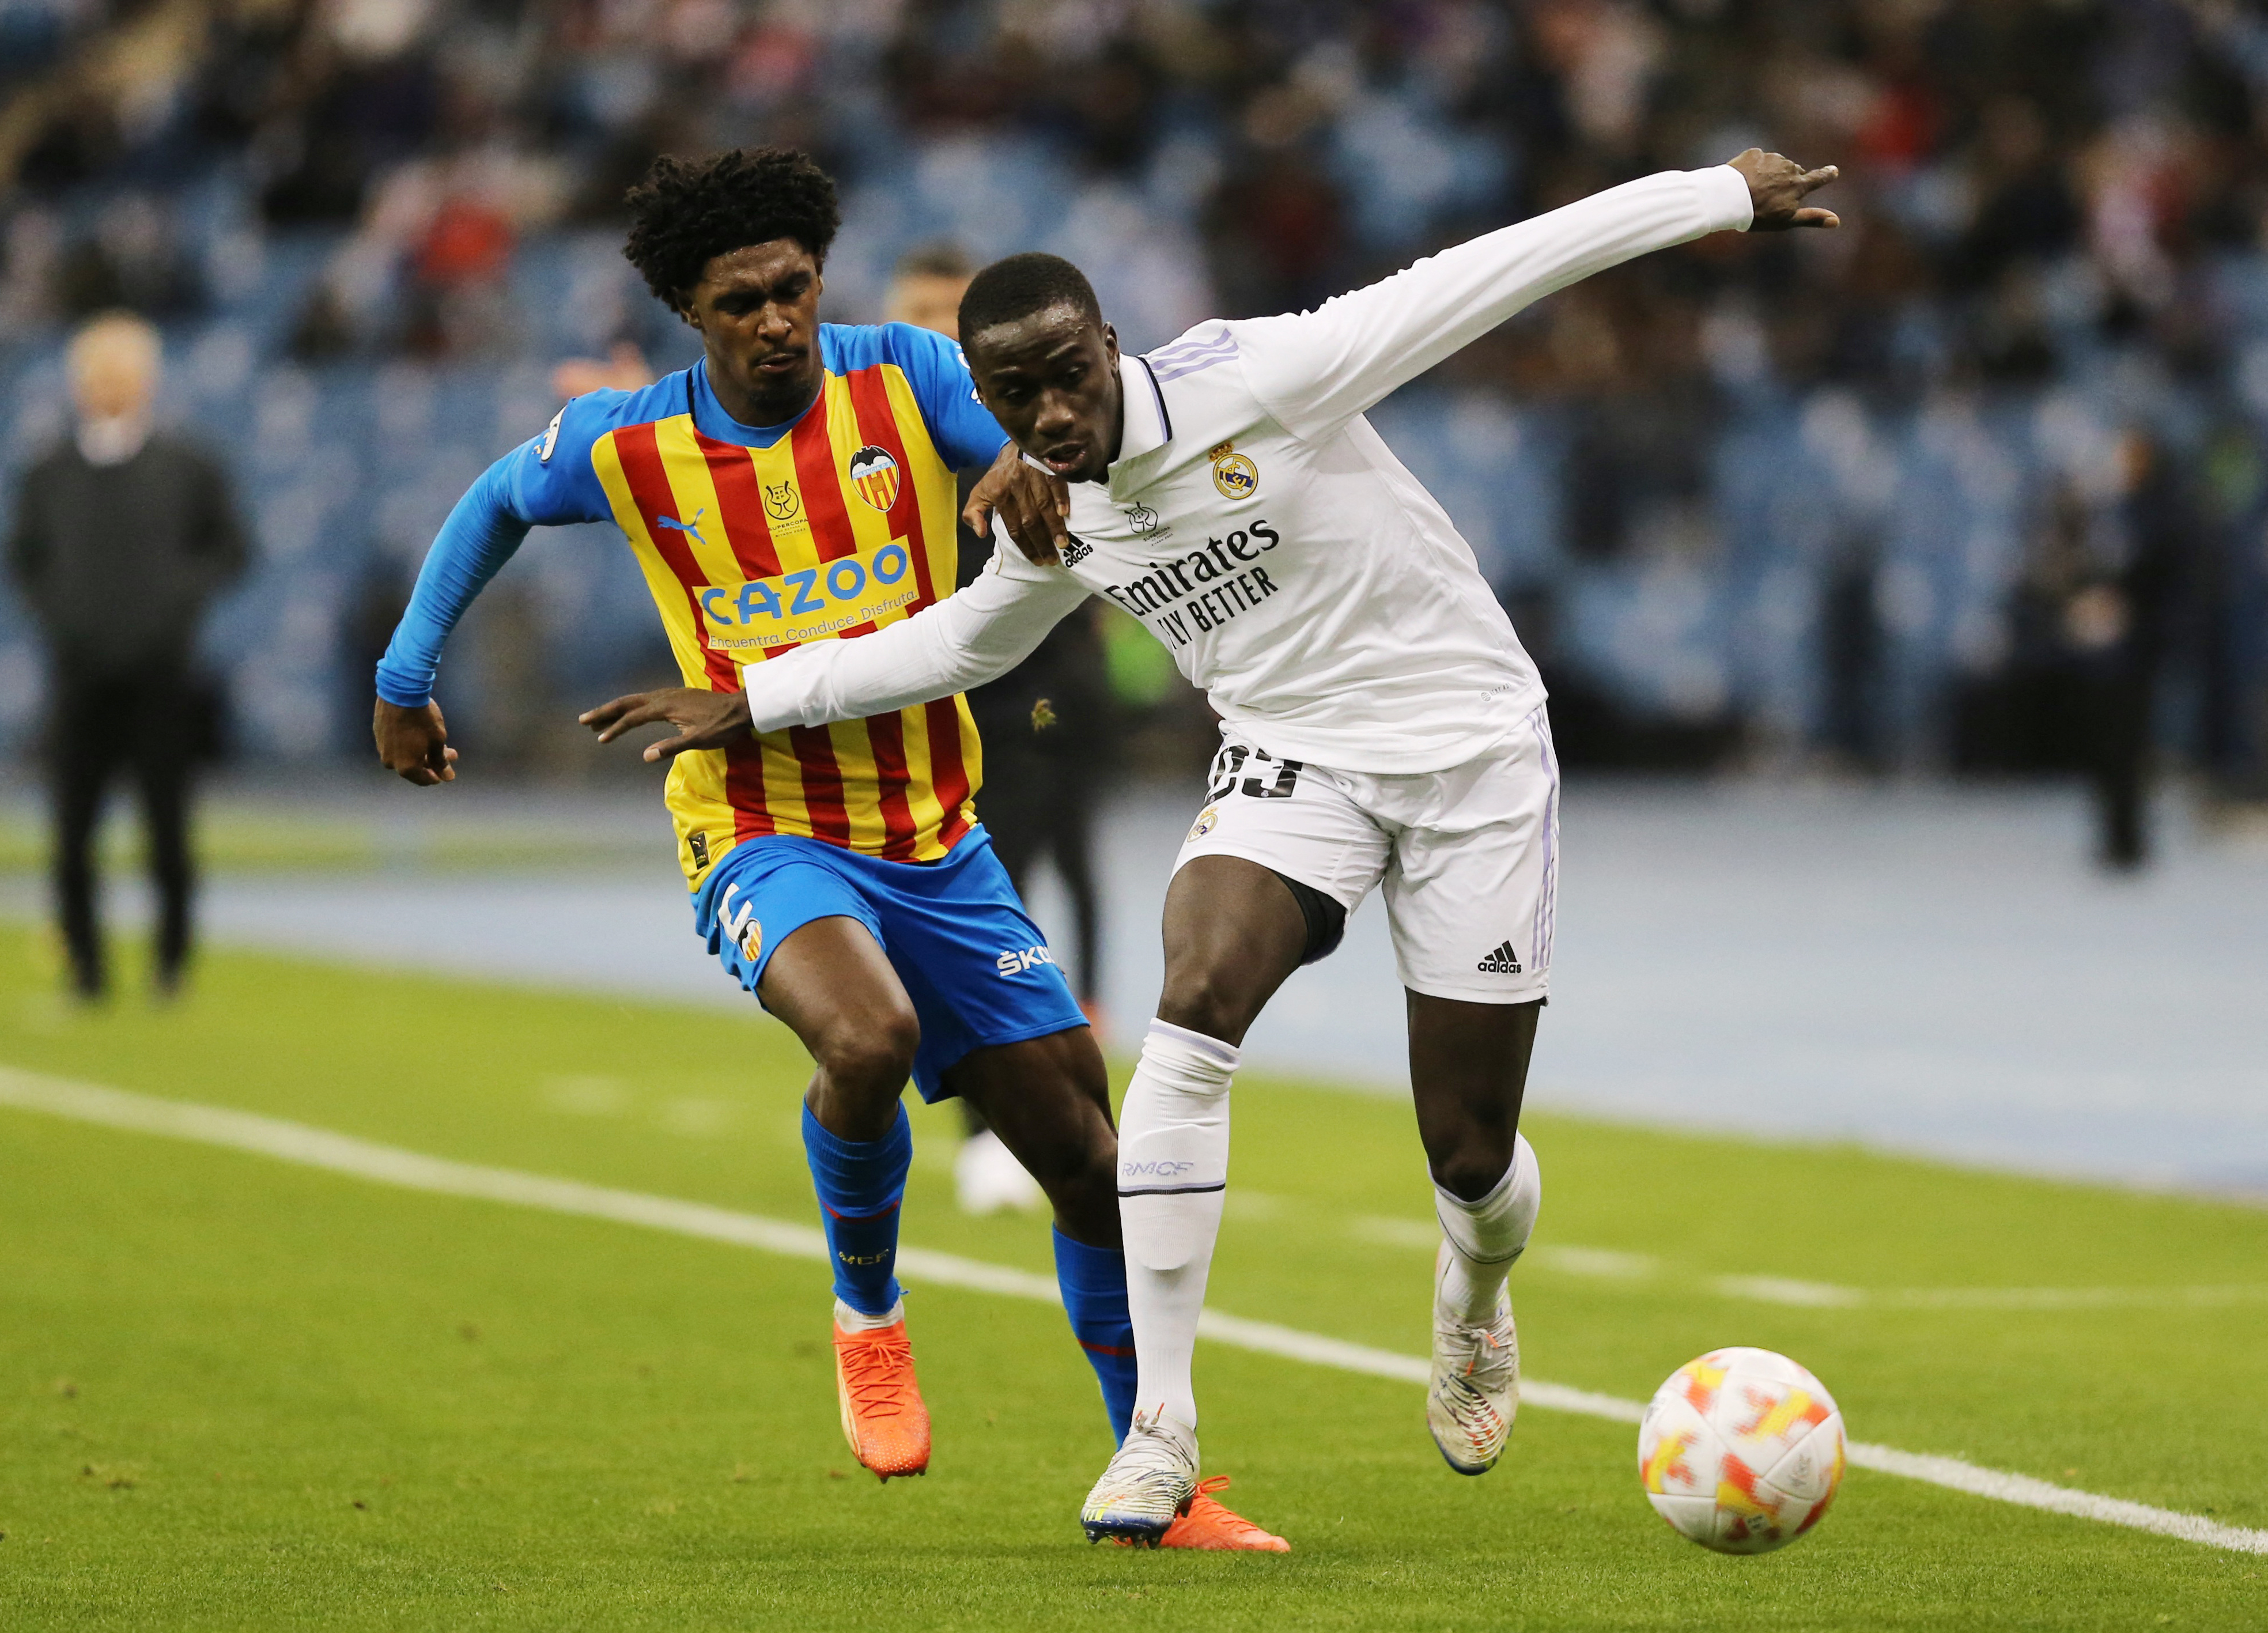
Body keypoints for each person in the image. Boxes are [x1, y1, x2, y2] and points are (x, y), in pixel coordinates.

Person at [591, 149, 1841, 1541]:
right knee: (1189, 1010)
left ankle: (1475, 1290)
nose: (1055, 413)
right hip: (1289, 758)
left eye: (1073, 374)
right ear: (985, 407)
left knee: (1470, 1149)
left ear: (1110, 343)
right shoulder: (1050, 510)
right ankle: (1160, 1431)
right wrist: (754, 698)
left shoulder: (1268, 375)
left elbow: (1494, 272)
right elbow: (952, 640)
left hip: (1470, 749)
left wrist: (1719, 197)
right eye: (1021, 398)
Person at [373, 148, 1282, 1550]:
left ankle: (1153, 1477)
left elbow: (1015, 440)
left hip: (934, 831)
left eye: (795, 286)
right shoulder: (630, 445)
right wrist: (403, 672)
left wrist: (1019, 478)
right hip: (755, 824)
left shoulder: (905, 373)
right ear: (692, 311)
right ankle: (870, 1314)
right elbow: (495, 498)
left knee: (1088, 1157)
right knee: (863, 1038)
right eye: (743, 301)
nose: (778, 319)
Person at [880, 241, 1118, 1218]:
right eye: (919, 312)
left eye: (950, 310)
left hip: (1057, 685)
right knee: (985, 895)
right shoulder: (881, 433)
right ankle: (990, 1125)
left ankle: (1063, 1107)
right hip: (961, 695)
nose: (936, 328)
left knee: (1071, 875)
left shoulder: (1027, 410)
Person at [3, 311, 251, 1000]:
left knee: (167, 825)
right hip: (78, 673)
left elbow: (231, 548)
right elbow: (22, 559)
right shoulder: (49, 470)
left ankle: (172, 963)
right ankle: (85, 968)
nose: (111, 386)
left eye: (124, 372)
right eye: (99, 373)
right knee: (72, 829)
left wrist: (176, 602)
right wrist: (64, 614)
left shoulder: (188, 464)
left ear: (148, 381)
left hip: (161, 672)